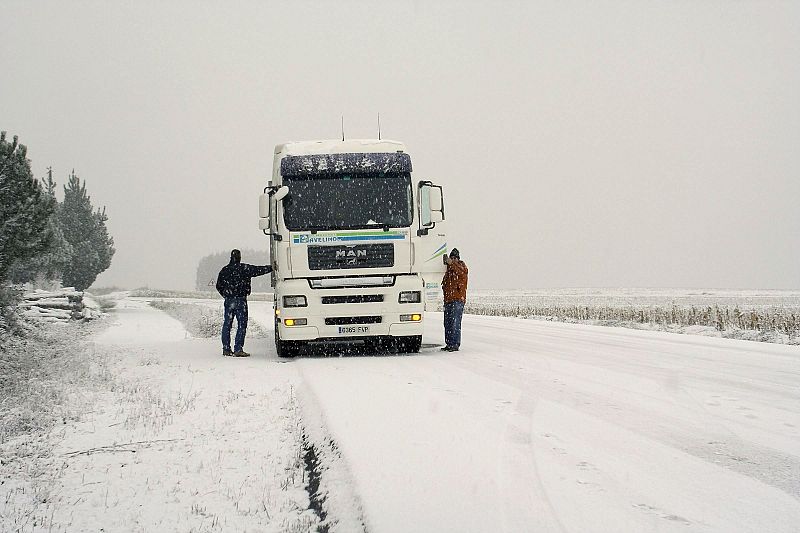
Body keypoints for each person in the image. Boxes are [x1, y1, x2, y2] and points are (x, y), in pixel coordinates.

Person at [216, 249, 272, 357]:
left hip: (229, 300)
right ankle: (238, 349)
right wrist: (271, 268)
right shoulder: (244, 268)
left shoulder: (224, 270)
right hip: (241, 300)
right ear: (239, 257)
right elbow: (258, 270)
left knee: (227, 324)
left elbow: (218, 286)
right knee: (242, 325)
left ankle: (226, 349)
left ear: (230, 258)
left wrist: (226, 295)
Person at [441, 248, 468, 352]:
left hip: (457, 300)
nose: (452, 259)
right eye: (451, 257)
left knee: (455, 323)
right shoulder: (448, 271)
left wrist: (451, 263)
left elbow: (460, 272)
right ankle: (449, 344)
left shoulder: (462, 267)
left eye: (454, 258)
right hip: (448, 300)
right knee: (447, 323)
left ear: (458, 258)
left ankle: (455, 344)